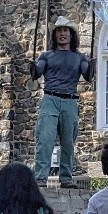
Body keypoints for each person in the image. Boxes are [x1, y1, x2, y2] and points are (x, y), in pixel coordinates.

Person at [31, 15, 94, 189]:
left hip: (70, 101)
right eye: (59, 31)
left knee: (68, 141)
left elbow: (87, 77)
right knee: (45, 139)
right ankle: (41, 178)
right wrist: (33, 68)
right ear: (55, 35)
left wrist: (91, 65)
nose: (62, 34)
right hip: (50, 98)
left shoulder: (79, 57)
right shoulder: (47, 55)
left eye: (65, 30)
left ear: (71, 35)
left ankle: (65, 178)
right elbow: (37, 74)